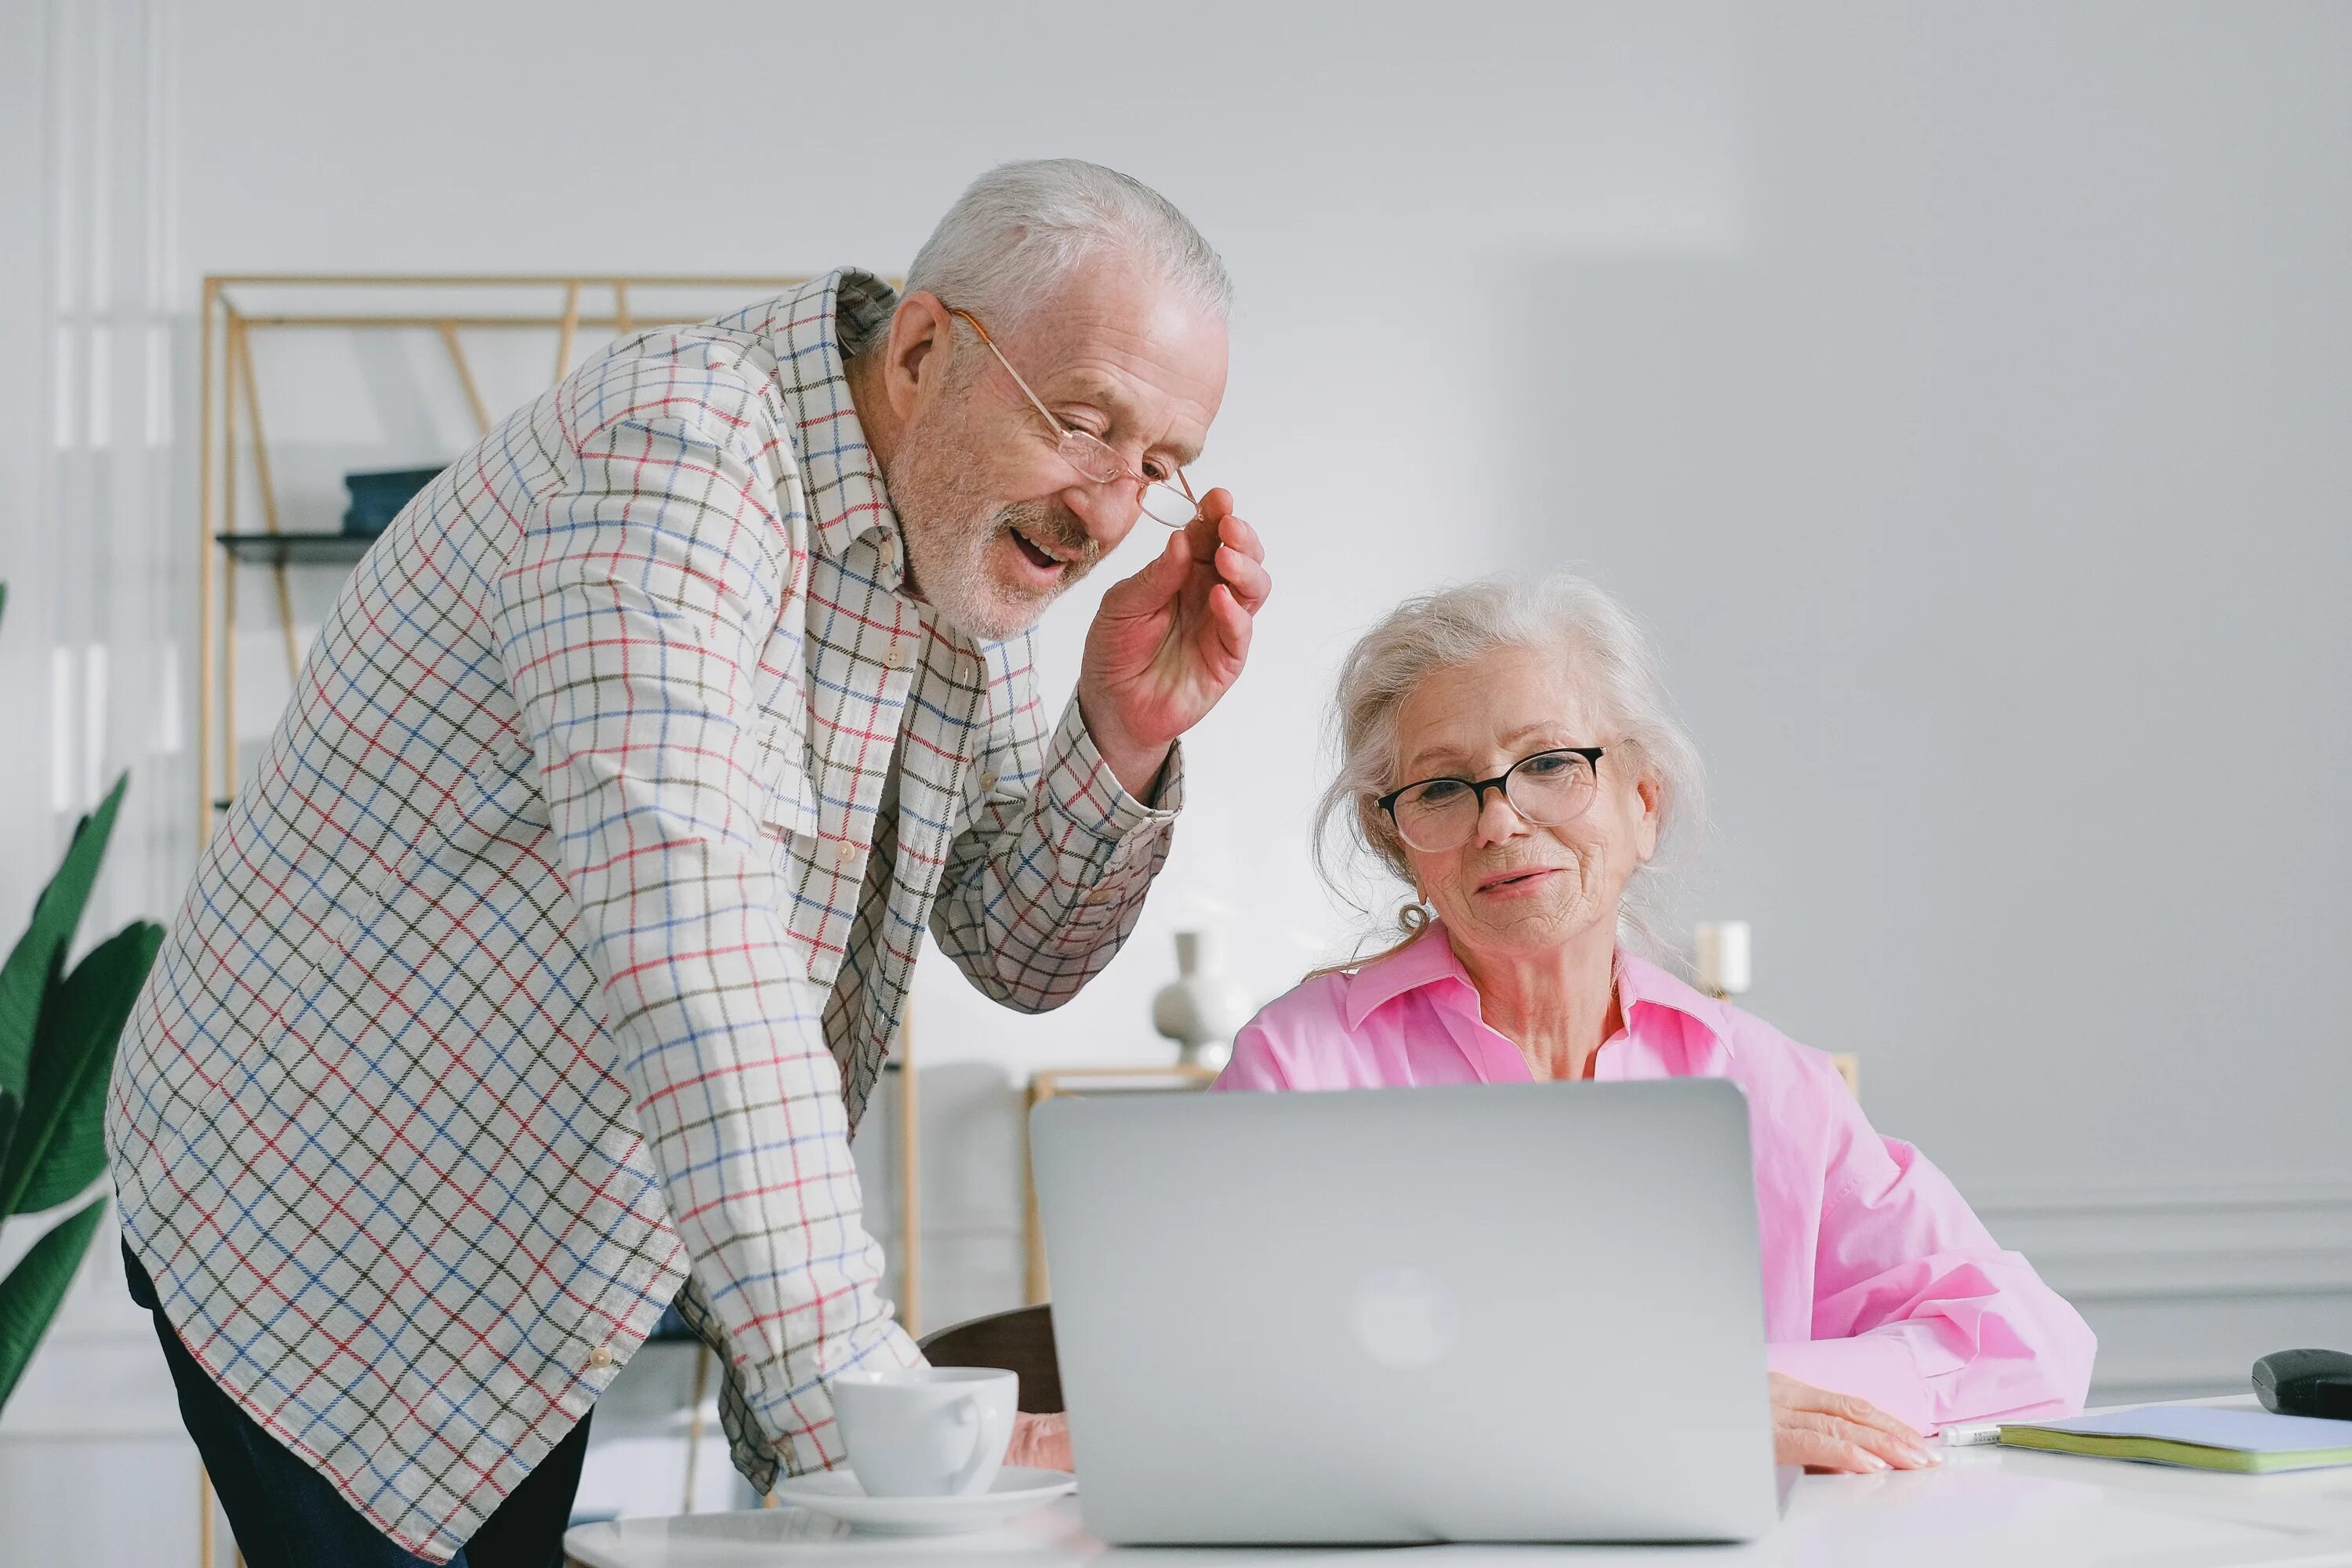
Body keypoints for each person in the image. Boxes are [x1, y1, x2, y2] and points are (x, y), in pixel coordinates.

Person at [110, 160, 1269, 1566]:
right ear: (922, 351)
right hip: (326, 1232)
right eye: (1083, 427)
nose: (1105, 512)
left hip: (531, 1267)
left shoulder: (960, 552)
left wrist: (1121, 733)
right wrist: (879, 1429)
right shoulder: (674, 455)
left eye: (1155, 468)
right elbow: (700, 964)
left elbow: (1015, 951)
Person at [1214, 574, 2091, 1475]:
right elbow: (1245, 1389)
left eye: (1551, 764)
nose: (1501, 819)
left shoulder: (1768, 1081)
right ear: (1403, 844)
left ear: (1642, 800)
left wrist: (1746, 1389)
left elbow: (2029, 1347)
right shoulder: (1299, 1064)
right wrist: (1679, 1398)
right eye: (1441, 787)